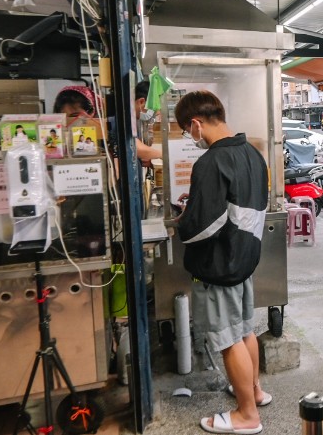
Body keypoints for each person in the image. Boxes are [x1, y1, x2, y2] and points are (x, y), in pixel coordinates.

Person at [174, 90, 271, 435]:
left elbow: (203, 225)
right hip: (244, 257)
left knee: (228, 339)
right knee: (245, 329)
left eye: (187, 131)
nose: (191, 138)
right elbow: (238, 205)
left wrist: (183, 219)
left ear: (196, 124)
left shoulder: (211, 161)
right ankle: (255, 392)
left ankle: (247, 414)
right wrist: (200, 201)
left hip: (219, 263)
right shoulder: (252, 153)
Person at [134, 80, 162, 163]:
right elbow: (135, 147)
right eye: (152, 108)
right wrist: (163, 155)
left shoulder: (134, 119)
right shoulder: (123, 120)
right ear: (141, 102)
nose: (153, 113)